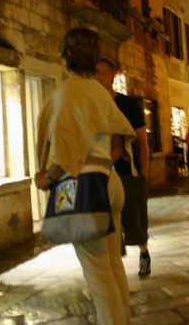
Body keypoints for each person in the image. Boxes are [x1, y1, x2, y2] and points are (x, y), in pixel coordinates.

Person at [35, 28, 135, 325]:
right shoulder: (100, 92)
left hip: (84, 188)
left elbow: (66, 156)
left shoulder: (64, 95)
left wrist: (46, 178)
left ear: (65, 55)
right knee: (113, 267)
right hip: (109, 180)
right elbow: (120, 140)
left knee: (98, 276)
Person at [95, 58, 152, 277]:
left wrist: (144, 174)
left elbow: (142, 142)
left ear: (112, 75)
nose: (97, 77)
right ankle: (115, 266)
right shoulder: (92, 104)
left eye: (101, 72)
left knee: (135, 220)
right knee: (109, 225)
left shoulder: (128, 105)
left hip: (127, 173)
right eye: (94, 73)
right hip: (102, 173)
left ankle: (144, 252)